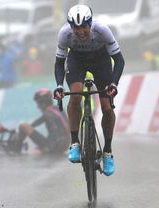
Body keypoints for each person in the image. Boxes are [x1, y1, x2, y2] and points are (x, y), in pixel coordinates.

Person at [53, 5, 125, 176]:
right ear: (70, 26)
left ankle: (107, 151)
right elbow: (59, 63)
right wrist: (59, 85)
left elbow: (119, 61)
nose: (80, 32)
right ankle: (75, 142)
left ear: (90, 24)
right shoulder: (64, 34)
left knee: (107, 108)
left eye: (84, 27)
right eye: (75, 27)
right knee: (75, 96)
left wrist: (113, 84)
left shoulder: (102, 31)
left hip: (101, 61)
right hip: (76, 60)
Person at [14, 88, 70, 155]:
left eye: (37, 104)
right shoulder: (58, 109)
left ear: (43, 103)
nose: (37, 107)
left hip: (55, 146)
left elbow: (55, 132)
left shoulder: (48, 113)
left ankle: (16, 151)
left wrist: (47, 149)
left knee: (23, 126)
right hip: (65, 145)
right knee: (26, 127)